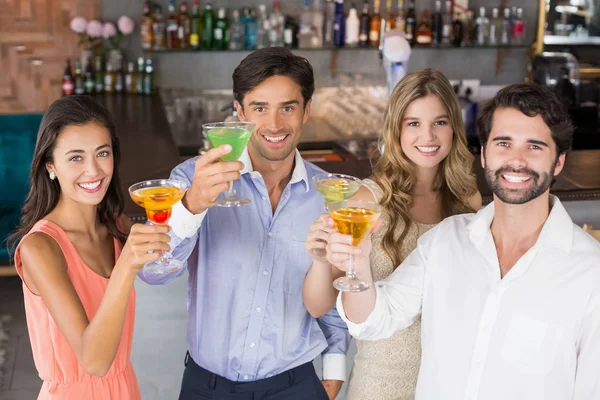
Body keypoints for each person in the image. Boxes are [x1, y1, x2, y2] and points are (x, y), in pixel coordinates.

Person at [328, 83, 600, 399]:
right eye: (503, 143)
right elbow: (372, 320)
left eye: (534, 146)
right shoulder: (445, 240)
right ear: (484, 154)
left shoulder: (590, 273)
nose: (516, 160)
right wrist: (358, 262)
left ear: (558, 162)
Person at [138, 47, 349, 400]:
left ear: (307, 110)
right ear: (239, 112)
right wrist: (191, 207)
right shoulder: (193, 178)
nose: (275, 124)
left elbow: (337, 286)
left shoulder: (327, 194)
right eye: (260, 108)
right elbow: (152, 272)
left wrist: (335, 368)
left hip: (295, 385)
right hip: (207, 387)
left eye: (288, 107)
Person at [303, 69, 481, 400]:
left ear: (454, 128)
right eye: (413, 123)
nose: (427, 136)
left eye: (439, 122)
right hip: (380, 384)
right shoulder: (364, 201)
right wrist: (319, 260)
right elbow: (317, 306)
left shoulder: (467, 201)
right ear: (395, 129)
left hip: (451, 383)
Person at [9, 95, 170, 399]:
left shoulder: (114, 225)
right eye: (76, 157)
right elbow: (94, 361)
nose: (94, 170)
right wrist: (125, 268)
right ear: (50, 166)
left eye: (102, 153)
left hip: (124, 388)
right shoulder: (40, 248)